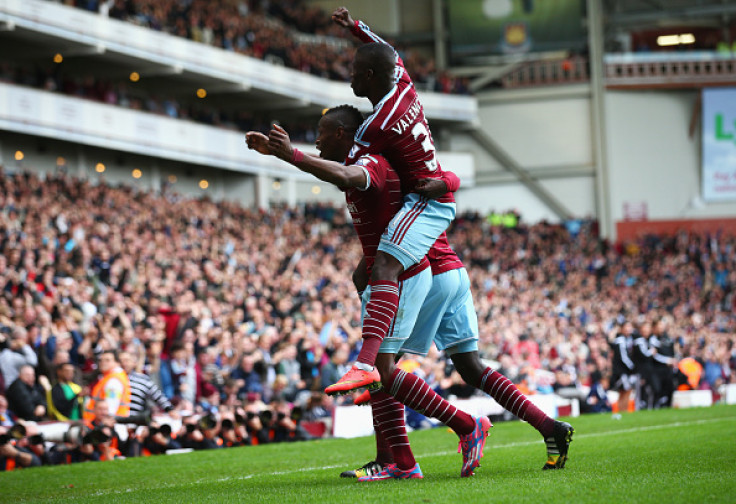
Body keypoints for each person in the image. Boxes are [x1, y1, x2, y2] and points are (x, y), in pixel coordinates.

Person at [246, 106, 486, 479]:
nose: (318, 139)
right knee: (378, 373)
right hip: (387, 275)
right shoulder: (362, 163)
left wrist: (290, 153)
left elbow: (345, 174)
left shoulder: (368, 162)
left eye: (322, 132)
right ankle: (398, 462)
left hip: (405, 276)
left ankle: (465, 425)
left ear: (343, 133)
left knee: (382, 371)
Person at [316, 7, 463, 393]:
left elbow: (351, 169)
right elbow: (388, 50)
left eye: (352, 72)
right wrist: (356, 28)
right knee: (364, 273)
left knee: (383, 264)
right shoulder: (404, 84)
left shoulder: (374, 128)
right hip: (434, 193)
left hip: (426, 203)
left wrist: (291, 156)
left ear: (367, 77)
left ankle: (369, 363)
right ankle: (376, 367)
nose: (347, 76)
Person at [118, 351, 175, 417]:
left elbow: (158, 396)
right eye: (120, 361)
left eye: (126, 360)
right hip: (116, 419)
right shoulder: (112, 379)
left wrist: (170, 410)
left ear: (134, 363)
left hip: (135, 420)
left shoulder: (142, 379)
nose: (123, 363)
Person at [83, 350, 131, 421]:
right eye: (101, 360)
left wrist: (105, 424)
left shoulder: (114, 380)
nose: (103, 363)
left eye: (107, 360)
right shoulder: (109, 377)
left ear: (117, 363)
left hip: (109, 423)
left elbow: (111, 405)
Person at [0, 327, 38, 392]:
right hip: (13, 390)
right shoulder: (9, 356)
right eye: (26, 339)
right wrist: (24, 346)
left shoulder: (5, 354)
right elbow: (33, 361)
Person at [610, 321, 636, 414]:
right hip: (622, 371)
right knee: (625, 391)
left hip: (624, 371)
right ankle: (622, 411)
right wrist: (633, 367)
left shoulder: (629, 339)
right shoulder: (621, 340)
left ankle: (623, 411)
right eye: (626, 327)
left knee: (626, 391)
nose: (628, 329)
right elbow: (624, 357)